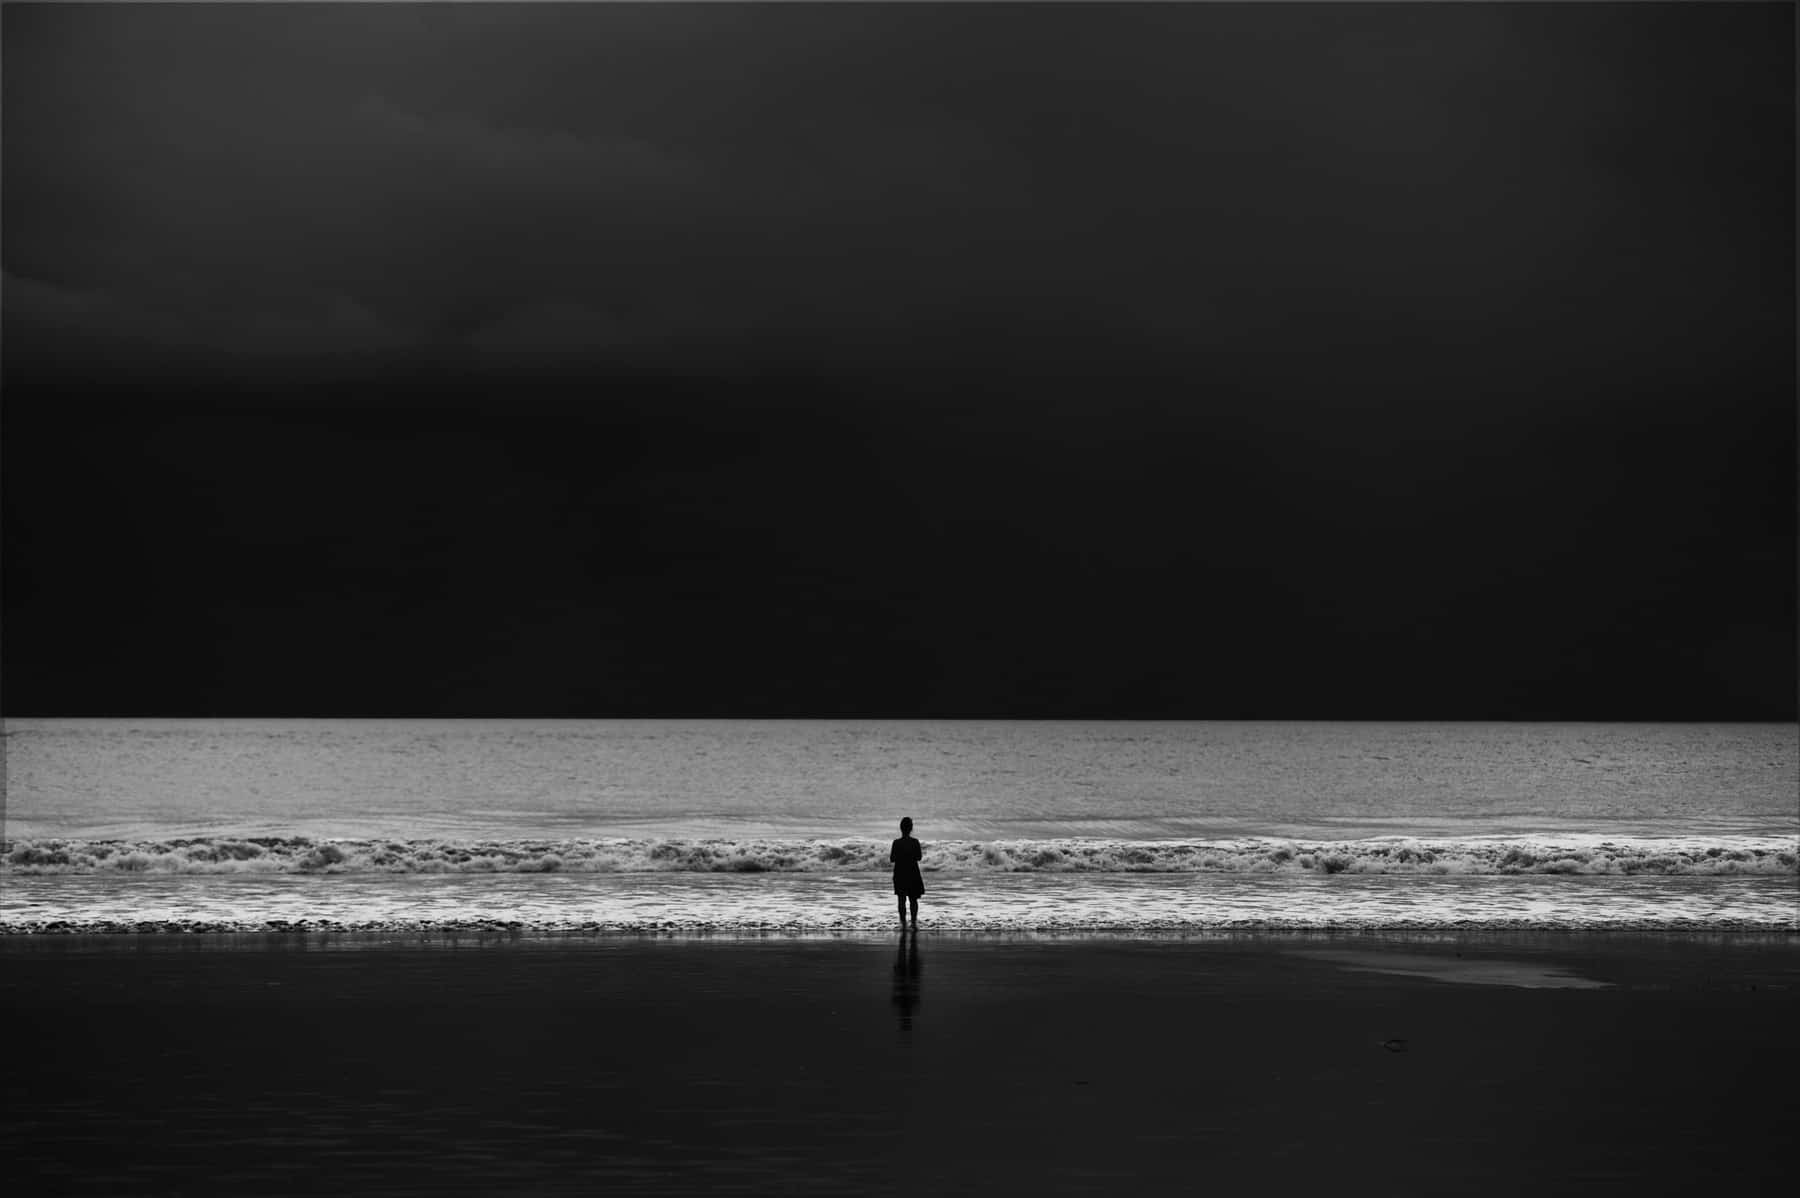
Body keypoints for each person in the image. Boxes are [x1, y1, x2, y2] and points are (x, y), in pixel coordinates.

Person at [890, 817, 924, 930]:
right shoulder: (915, 842)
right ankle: (913, 923)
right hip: (913, 872)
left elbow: (892, 859)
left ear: (901, 828)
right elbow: (919, 857)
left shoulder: (896, 843)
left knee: (901, 899)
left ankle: (903, 923)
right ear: (911, 828)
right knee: (913, 899)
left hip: (900, 872)